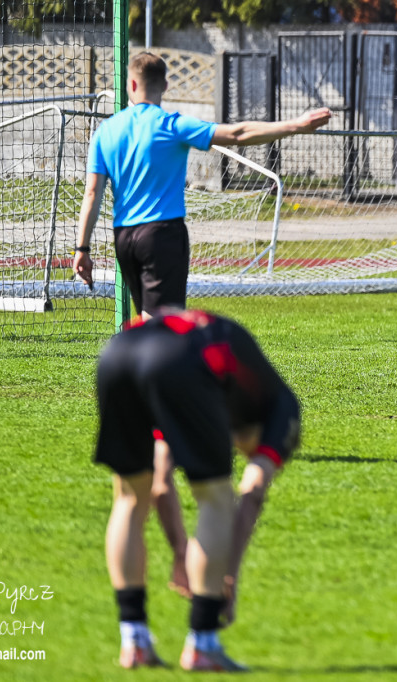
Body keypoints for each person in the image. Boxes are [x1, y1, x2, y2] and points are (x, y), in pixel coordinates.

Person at [72, 51, 327, 598]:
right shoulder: (167, 122)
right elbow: (234, 134)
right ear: (160, 86)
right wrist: (296, 125)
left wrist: (80, 246)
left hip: (122, 238)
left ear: (131, 83)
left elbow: (93, 191)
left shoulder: (109, 127)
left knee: (144, 328)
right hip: (163, 234)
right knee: (167, 340)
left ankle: (151, 432)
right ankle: (165, 441)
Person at [94, 308, 300, 671]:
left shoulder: (221, 388)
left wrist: (179, 552)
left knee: (128, 497)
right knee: (216, 497)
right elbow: (250, 494)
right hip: (180, 361)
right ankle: (203, 643)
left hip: (118, 351)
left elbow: (160, 484)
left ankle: (134, 641)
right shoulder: (282, 411)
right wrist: (226, 581)